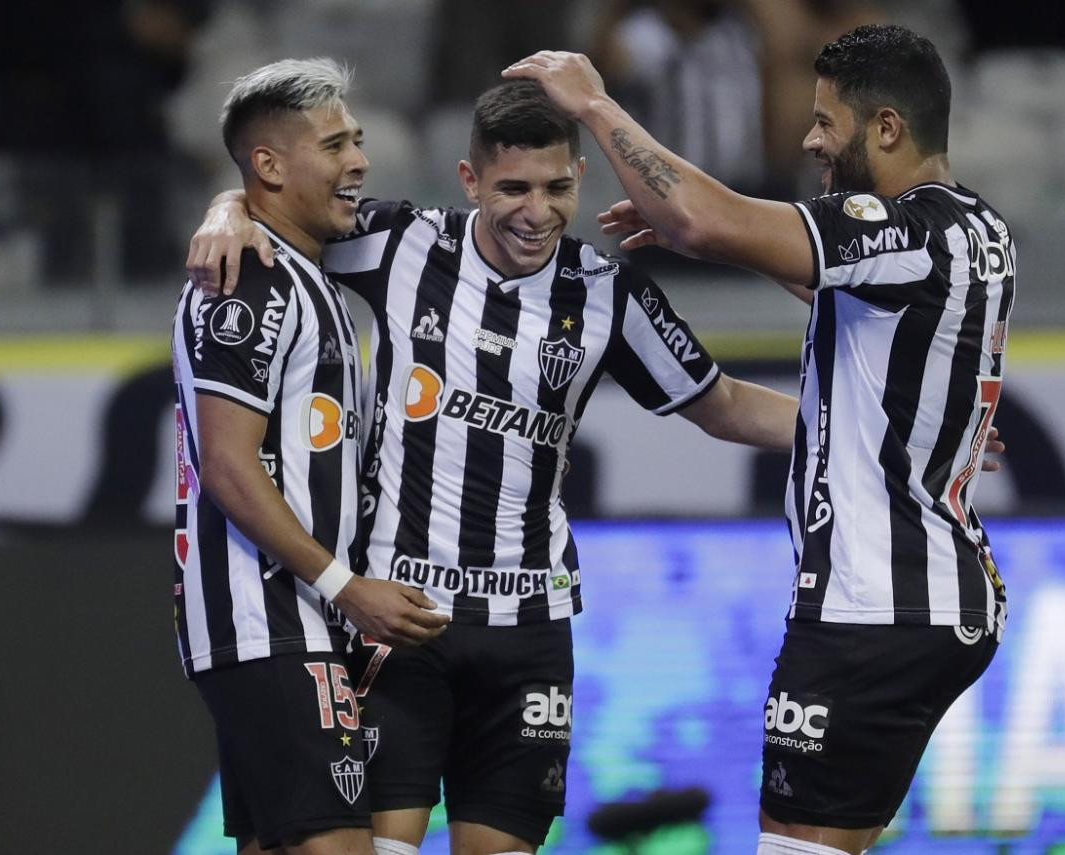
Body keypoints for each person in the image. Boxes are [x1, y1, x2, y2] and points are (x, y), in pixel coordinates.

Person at [187, 78, 802, 855]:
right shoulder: (399, 242)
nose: (535, 211)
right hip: (401, 616)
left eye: (556, 187)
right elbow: (281, 196)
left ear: (580, 177)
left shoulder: (607, 293)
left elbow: (724, 405)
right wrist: (225, 209)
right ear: (469, 181)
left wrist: (867, 434)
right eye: (512, 187)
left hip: (530, 631)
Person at [505, 23, 1014, 855]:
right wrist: (693, 227)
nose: (809, 138)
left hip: (873, 606)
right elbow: (843, 294)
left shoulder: (909, 231)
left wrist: (596, 105)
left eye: (827, 121)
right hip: (938, 593)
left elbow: (711, 221)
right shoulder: (976, 229)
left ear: (888, 128)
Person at [171, 58, 448, 855]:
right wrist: (346, 585)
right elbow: (228, 465)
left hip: (298, 624)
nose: (358, 160)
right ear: (270, 165)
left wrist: (227, 203)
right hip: (266, 622)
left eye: (357, 140)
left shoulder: (303, 272)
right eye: (334, 145)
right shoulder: (249, 281)